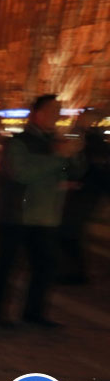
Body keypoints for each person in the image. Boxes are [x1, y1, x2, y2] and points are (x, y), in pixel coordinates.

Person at [0, 94, 85, 328]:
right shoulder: (19, 142)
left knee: (46, 266)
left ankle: (34, 312)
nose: (56, 116)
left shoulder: (58, 142)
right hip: (17, 214)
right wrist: (58, 157)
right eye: (53, 111)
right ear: (38, 114)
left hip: (46, 216)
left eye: (59, 111)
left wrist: (76, 156)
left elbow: (76, 172)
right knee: (9, 265)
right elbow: (22, 172)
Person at [58, 108, 110, 284]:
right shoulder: (89, 138)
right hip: (85, 191)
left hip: (87, 191)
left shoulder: (92, 140)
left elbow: (94, 168)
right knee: (70, 231)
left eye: (83, 118)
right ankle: (75, 271)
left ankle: (76, 273)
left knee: (69, 230)